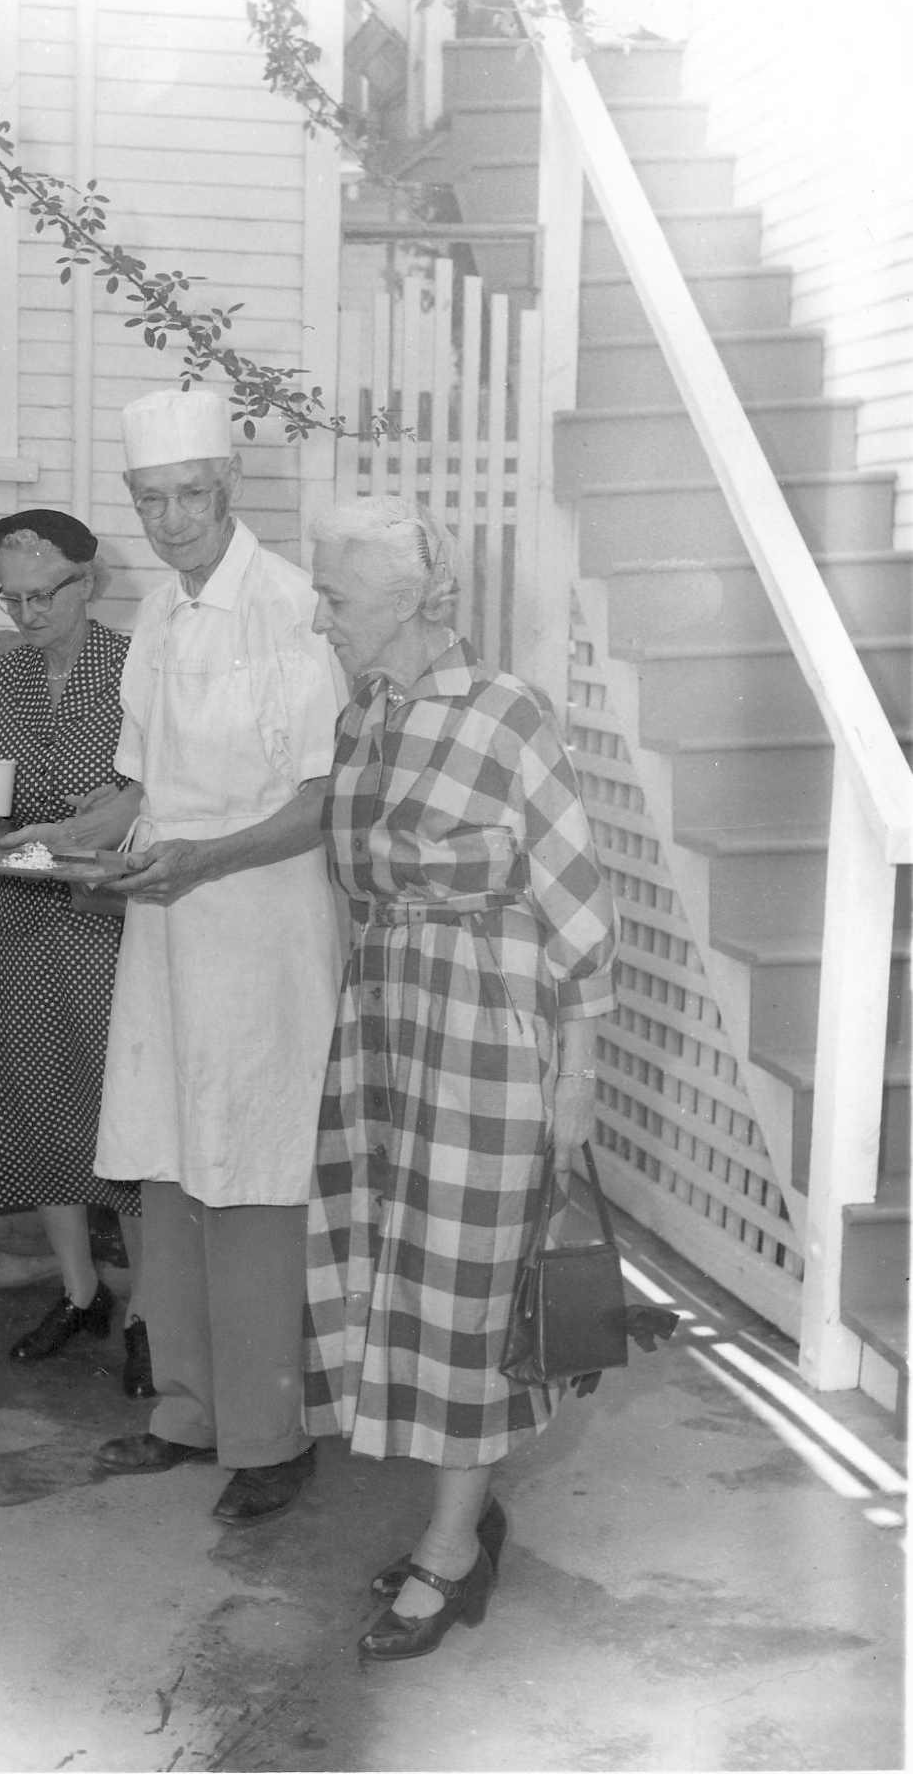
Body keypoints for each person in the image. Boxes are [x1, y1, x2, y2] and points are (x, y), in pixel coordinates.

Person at [2, 388, 343, 1526]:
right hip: (167, 926)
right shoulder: (156, 610)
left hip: (261, 929)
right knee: (165, 1164)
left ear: (229, 488)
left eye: (191, 494)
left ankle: (268, 1437)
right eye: (152, 500)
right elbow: (138, 787)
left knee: (246, 1173)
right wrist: (63, 838)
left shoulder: (291, 606)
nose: (173, 517)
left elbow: (320, 800)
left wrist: (200, 860)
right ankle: (185, 1412)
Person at [301, 494, 618, 1661]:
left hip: (488, 1024)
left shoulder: (505, 713)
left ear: (407, 598)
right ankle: (461, 1513)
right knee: (402, 1266)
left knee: (466, 1287)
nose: (320, 615)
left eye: (334, 595)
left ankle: (447, 1555)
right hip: (387, 1016)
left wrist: (575, 1064)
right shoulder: (366, 712)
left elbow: (578, 901)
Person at [0, 509, 150, 1395]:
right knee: (37, 1098)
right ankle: (79, 1290)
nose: (25, 613)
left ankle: (151, 1311)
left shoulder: (137, 669)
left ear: (88, 584)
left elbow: (162, 794)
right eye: (10, 596)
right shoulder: (4, 678)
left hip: (116, 921)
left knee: (127, 1111)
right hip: (26, 917)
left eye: (42, 594)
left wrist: (119, 805)